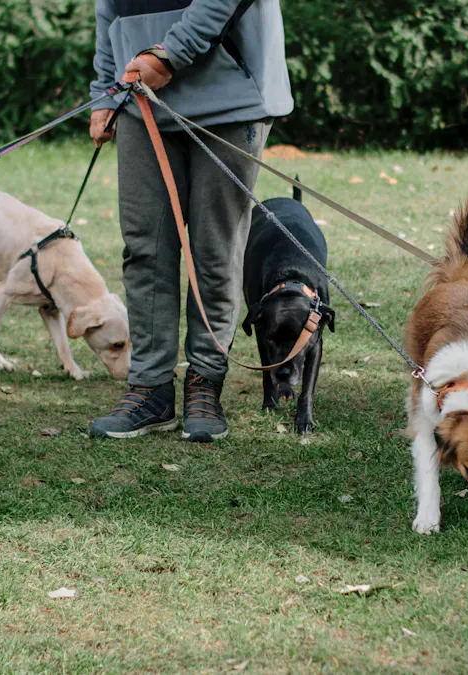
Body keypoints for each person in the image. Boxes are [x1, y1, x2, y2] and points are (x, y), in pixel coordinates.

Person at [86, 0, 293, 442]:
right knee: (145, 249)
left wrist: (169, 55)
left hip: (230, 99)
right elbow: (110, 11)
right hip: (140, 101)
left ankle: (205, 382)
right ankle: (150, 388)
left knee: (215, 250)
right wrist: (105, 90)